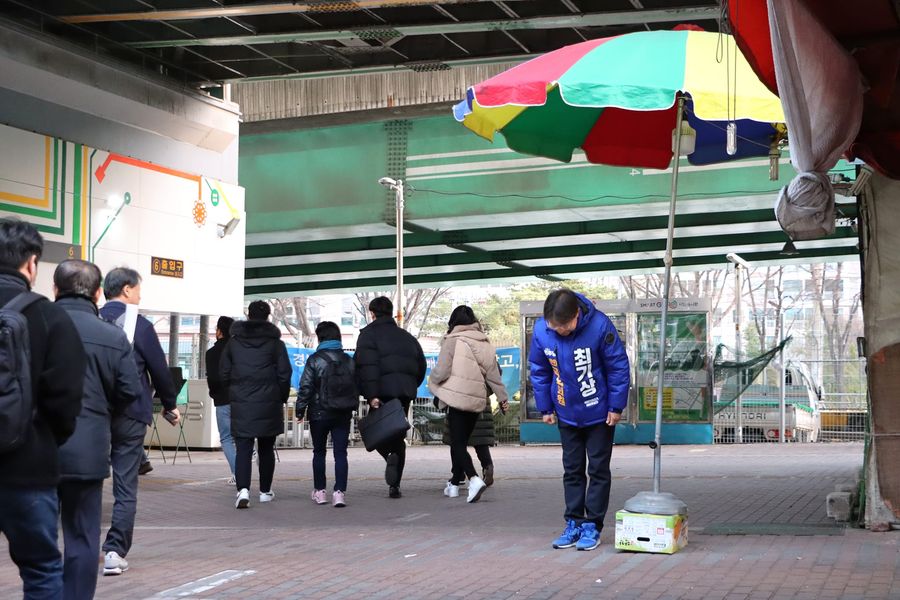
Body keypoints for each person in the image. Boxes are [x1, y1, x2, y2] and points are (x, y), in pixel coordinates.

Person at [0, 218, 85, 598]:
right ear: (32, 263)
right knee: (41, 569)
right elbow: (66, 400)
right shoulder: (51, 317)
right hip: (28, 467)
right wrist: (45, 440)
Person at [53, 260, 142, 600]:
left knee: (38, 540)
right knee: (81, 537)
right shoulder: (112, 336)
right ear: (96, 294)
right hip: (87, 450)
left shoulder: (33, 325)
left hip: (36, 449)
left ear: (55, 289)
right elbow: (130, 391)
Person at [529, 288, 630, 551]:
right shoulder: (542, 330)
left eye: (564, 326)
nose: (560, 331)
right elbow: (539, 370)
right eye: (554, 326)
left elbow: (618, 367)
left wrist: (616, 406)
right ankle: (573, 521)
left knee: (597, 470)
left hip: (599, 413)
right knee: (572, 470)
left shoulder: (600, 326)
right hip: (566, 412)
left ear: (577, 314)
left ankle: (592, 525)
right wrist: (545, 407)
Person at [99, 266, 180, 576]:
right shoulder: (141, 325)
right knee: (125, 484)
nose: (140, 295)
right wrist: (169, 405)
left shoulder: (92, 321)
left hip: (94, 413)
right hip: (131, 414)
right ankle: (114, 551)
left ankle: (81, 544)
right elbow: (160, 370)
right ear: (127, 289)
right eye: (138, 289)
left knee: (89, 480)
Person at [429, 306, 508, 503]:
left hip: (457, 399)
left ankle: (473, 479)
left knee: (457, 444)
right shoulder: (485, 343)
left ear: (453, 322)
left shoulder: (452, 340)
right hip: (477, 401)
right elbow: (494, 376)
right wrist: (502, 398)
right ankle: (454, 486)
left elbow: (442, 371)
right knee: (461, 443)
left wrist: (432, 381)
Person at [221, 300, 292, 509]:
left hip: (241, 402)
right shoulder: (276, 344)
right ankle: (264, 491)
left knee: (243, 448)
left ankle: (243, 490)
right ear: (268, 316)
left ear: (248, 315)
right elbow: (284, 374)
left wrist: (233, 392)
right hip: (269, 403)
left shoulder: (233, 343)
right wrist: (280, 397)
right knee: (266, 448)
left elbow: (223, 372)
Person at [354, 296, 426, 498]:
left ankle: (389, 456)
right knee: (398, 436)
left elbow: (365, 367)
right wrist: (409, 386)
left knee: (375, 433)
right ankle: (395, 485)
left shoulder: (367, 335)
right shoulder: (407, 337)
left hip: (380, 394)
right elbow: (421, 366)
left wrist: (371, 395)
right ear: (391, 312)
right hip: (403, 395)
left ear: (372, 313)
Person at [295, 321, 356, 508]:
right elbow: (356, 385)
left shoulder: (314, 360)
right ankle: (339, 494)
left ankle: (320, 492)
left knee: (319, 452)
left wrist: (300, 410)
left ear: (320, 338)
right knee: (341, 453)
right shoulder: (348, 360)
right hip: (343, 412)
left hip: (319, 413)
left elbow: (306, 386)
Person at [206, 316, 236, 484]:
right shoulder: (238, 350)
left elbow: (212, 379)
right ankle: (252, 455)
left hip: (222, 400)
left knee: (226, 438)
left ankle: (237, 474)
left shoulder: (211, 353)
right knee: (243, 437)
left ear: (219, 331)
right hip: (240, 400)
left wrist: (214, 395)